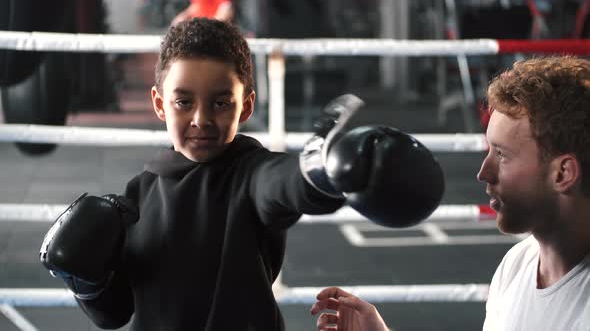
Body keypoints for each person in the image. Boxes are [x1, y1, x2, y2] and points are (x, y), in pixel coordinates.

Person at [38, 18, 445, 330]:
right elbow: (116, 313)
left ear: (245, 107)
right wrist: (87, 283)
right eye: (184, 102)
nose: (201, 119)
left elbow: (281, 184)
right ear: (161, 105)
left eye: (220, 103)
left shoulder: (249, 173)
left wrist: (317, 173)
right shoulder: (136, 197)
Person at [311, 55, 590, 330]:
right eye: (489, 151)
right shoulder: (518, 263)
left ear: (562, 173)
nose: (484, 173)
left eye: (502, 155)